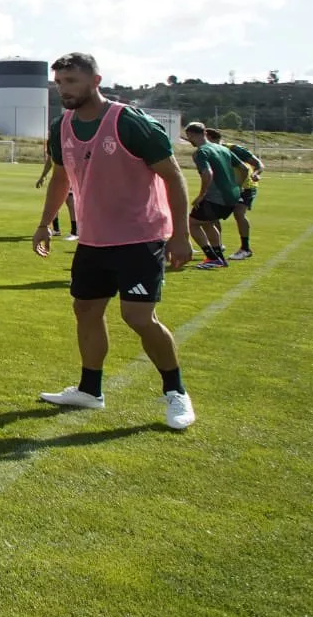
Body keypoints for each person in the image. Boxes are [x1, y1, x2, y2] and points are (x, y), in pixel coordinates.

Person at [33, 52, 196, 431]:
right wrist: (44, 224)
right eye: (59, 83)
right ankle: (90, 391)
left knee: (138, 317)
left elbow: (173, 177)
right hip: (93, 240)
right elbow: (60, 177)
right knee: (86, 310)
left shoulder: (129, 122)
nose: (64, 90)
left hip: (140, 237)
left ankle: (176, 392)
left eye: (71, 81)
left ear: (95, 81)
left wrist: (181, 235)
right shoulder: (61, 126)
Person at [181, 122, 245, 270]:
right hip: (233, 196)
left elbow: (207, 173)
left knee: (192, 223)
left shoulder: (201, 152)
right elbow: (244, 168)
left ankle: (213, 257)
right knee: (208, 223)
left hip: (216, 197)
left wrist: (201, 195)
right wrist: (237, 187)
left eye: (188, 137)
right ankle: (219, 258)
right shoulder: (223, 149)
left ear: (191, 135)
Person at [206, 127, 262, 260]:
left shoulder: (234, 149)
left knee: (239, 213)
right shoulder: (208, 151)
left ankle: (245, 248)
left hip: (245, 187)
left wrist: (256, 173)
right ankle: (218, 245)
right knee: (211, 215)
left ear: (210, 138)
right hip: (225, 188)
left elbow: (258, 164)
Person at [37, 140, 78, 240]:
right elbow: (49, 160)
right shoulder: (51, 141)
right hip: (58, 176)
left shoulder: (69, 138)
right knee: (54, 200)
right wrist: (43, 176)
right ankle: (56, 229)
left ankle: (75, 231)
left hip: (70, 175)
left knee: (70, 202)